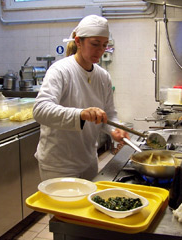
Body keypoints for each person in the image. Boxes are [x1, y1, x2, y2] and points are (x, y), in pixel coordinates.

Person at [33, 15, 129, 181]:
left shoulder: (103, 76)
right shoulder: (61, 71)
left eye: (104, 45)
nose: (100, 50)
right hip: (58, 165)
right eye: (95, 44)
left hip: (88, 161)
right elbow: (40, 110)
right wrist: (81, 114)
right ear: (78, 41)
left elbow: (109, 114)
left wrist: (116, 129)